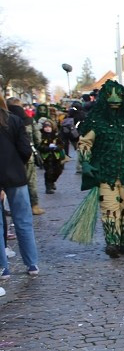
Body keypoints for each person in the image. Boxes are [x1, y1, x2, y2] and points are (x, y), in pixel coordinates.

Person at [72, 80, 124, 256]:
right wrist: (86, 161)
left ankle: (123, 242)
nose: (114, 99)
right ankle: (112, 242)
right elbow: (85, 143)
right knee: (110, 208)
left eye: (118, 96)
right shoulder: (96, 121)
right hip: (106, 174)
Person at [0, 97, 40, 278]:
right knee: (23, 221)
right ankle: (32, 263)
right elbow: (25, 150)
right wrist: (16, 165)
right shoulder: (14, 119)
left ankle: (3, 268)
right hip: (16, 176)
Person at [37, 119, 66, 194]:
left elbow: (62, 144)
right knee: (49, 172)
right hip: (46, 158)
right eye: (45, 127)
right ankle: (48, 187)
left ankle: (53, 181)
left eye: (49, 127)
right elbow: (39, 146)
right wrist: (47, 148)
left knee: (58, 171)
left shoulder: (56, 135)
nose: (47, 128)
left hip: (56, 157)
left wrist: (57, 147)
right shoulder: (41, 136)